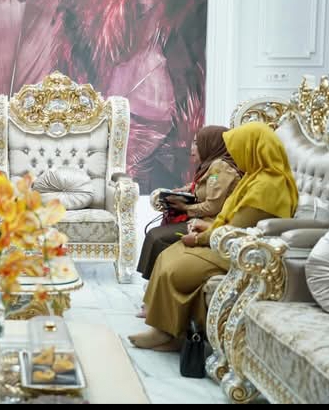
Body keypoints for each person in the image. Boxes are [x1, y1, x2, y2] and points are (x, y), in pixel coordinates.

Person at [128, 122, 298, 352]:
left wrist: (200, 238)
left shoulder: (268, 186)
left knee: (175, 269)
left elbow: (236, 229)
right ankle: (165, 331)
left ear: (252, 148)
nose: (234, 155)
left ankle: (169, 333)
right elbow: (230, 218)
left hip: (237, 251)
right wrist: (206, 227)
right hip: (224, 239)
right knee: (167, 255)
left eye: (238, 148)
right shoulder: (255, 177)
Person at [137, 126, 243, 280]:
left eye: (197, 143)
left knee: (157, 237)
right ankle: (154, 281)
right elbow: (202, 185)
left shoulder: (220, 167)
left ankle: (156, 281)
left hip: (211, 222)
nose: (192, 148)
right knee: (155, 234)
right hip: (201, 218)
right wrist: (182, 191)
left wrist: (186, 208)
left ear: (210, 144)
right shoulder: (211, 164)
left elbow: (212, 207)